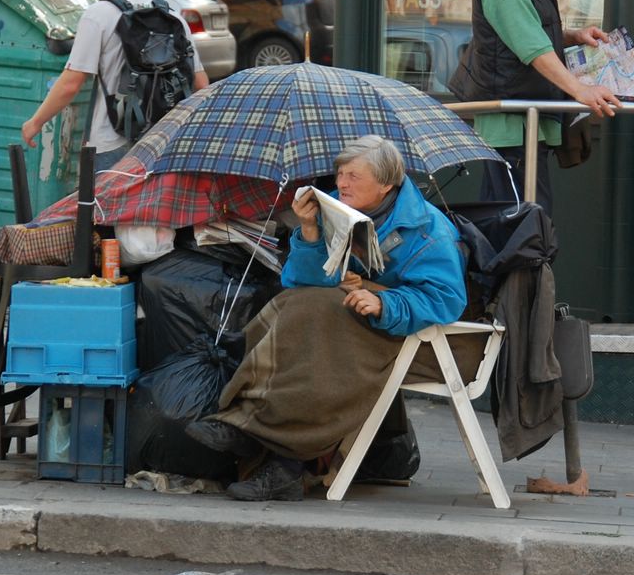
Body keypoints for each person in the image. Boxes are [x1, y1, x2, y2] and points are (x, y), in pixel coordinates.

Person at [185, 136, 469, 501]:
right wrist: (309, 230)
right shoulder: (337, 208)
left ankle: (259, 437)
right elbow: (300, 281)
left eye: (353, 176)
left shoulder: (428, 228)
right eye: (340, 173)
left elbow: (446, 298)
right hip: (349, 316)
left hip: (413, 332)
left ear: (386, 184)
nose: (341, 183)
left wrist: (386, 303)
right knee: (295, 304)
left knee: (317, 320)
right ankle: (262, 440)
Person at [448, 0, 620, 217]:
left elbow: (528, 31)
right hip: (513, 124)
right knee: (523, 225)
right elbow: (532, 47)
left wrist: (573, 36)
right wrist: (580, 90)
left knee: (513, 221)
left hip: (525, 121)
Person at [21, 0, 209, 173]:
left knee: (105, 200)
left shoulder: (98, 16)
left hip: (112, 144)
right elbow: (200, 84)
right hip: (164, 142)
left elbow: (71, 83)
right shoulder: (173, 17)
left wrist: (35, 122)